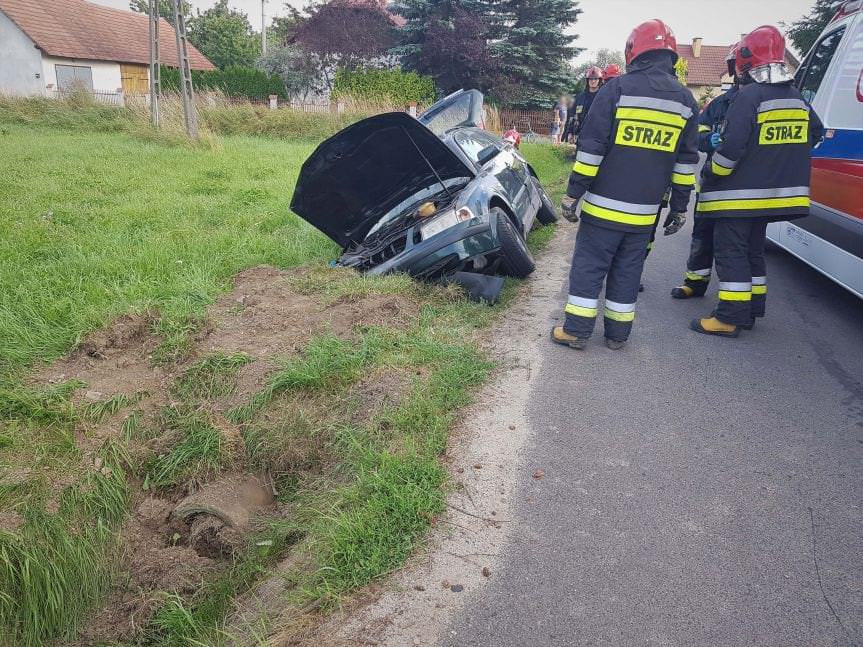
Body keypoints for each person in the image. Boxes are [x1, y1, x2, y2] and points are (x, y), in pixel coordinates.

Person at [551, 18, 699, 351]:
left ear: (634, 51)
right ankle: (618, 335)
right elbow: (686, 164)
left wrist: (573, 194)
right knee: (628, 272)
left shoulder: (615, 90)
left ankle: (576, 331)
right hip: (645, 215)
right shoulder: (685, 101)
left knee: (590, 268)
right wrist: (678, 207)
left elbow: (591, 150)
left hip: (603, 209)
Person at [691, 25, 823, 337]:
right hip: (773, 197)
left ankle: (729, 317)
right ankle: (752, 308)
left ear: (746, 61)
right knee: (753, 251)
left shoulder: (749, 97)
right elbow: (815, 134)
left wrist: (711, 174)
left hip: (738, 198)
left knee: (731, 252)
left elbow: (732, 149)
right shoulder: (797, 99)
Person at [670, 44, 741, 299]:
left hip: (742, 188)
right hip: (712, 186)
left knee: (734, 245)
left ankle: (741, 299)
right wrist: (708, 138)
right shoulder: (720, 104)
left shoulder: (758, 102)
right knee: (702, 235)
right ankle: (695, 282)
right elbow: (695, 135)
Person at [563, 67, 604, 143]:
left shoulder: (604, 98)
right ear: (587, 80)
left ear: (600, 80)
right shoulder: (580, 98)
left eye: (595, 79)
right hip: (579, 136)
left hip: (596, 137)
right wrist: (570, 132)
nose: (593, 81)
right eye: (590, 79)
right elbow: (573, 116)